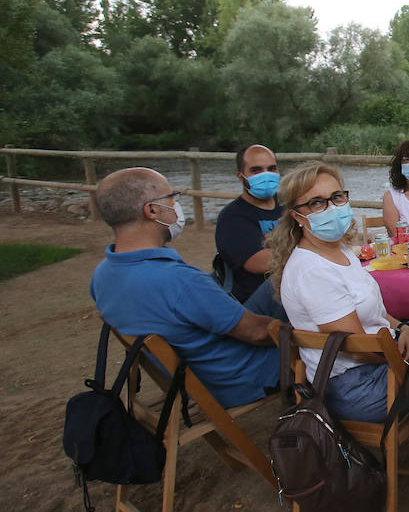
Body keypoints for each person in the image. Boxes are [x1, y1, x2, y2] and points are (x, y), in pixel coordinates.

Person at [268, 161, 409, 422]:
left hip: (383, 357)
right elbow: (357, 348)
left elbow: (377, 313)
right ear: (297, 215)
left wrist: (403, 329)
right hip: (357, 387)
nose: (332, 207)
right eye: (317, 202)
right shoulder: (312, 271)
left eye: (337, 197)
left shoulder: (339, 252)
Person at [90, 167, 280, 408]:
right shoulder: (179, 281)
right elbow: (258, 332)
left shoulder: (102, 274)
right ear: (152, 210)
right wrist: (297, 331)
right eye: (172, 198)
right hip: (242, 377)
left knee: (280, 279)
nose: (176, 205)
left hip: (192, 375)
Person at [215, 144, 283, 306]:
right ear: (241, 177)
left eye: (271, 169)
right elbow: (261, 263)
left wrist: (279, 242)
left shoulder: (289, 205)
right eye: (256, 170)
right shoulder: (232, 217)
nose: (265, 175)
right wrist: (299, 242)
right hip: (255, 302)